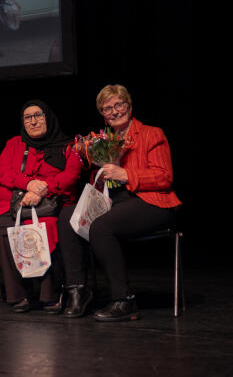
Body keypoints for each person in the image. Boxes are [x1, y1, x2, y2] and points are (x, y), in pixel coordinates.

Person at [58, 84, 182, 321]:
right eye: (107, 109)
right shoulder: (104, 140)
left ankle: (124, 300)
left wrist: (126, 175)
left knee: (101, 227)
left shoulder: (151, 134)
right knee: (66, 217)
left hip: (151, 202)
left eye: (119, 105)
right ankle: (78, 290)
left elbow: (165, 177)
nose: (114, 111)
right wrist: (100, 173)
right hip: (116, 202)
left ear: (129, 106)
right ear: (102, 114)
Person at [0, 101, 81, 313]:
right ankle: (19, 292)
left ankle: (50, 293)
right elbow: (4, 173)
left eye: (38, 115)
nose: (33, 121)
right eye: (28, 117)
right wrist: (27, 184)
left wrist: (42, 189)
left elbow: (72, 175)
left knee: (45, 226)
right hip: (14, 203)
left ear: (49, 117)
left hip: (53, 203)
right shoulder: (14, 144)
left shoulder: (69, 146)